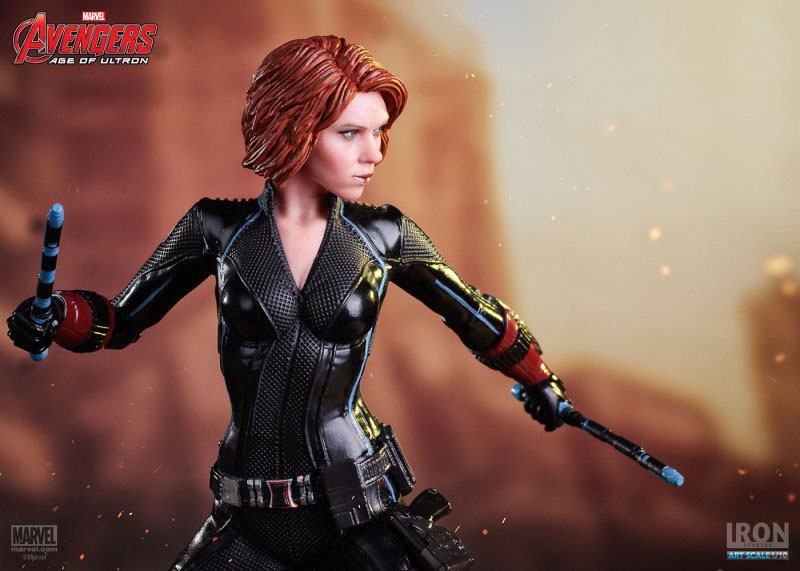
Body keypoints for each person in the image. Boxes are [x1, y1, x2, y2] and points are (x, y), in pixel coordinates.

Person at [6, 36, 572, 570]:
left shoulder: (386, 236)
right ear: (294, 127)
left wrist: (539, 379)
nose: (375, 153)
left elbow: (474, 314)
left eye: (379, 132)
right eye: (351, 133)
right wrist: (56, 317)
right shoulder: (214, 228)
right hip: (245, 514)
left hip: (358, 511)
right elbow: (119, 321)